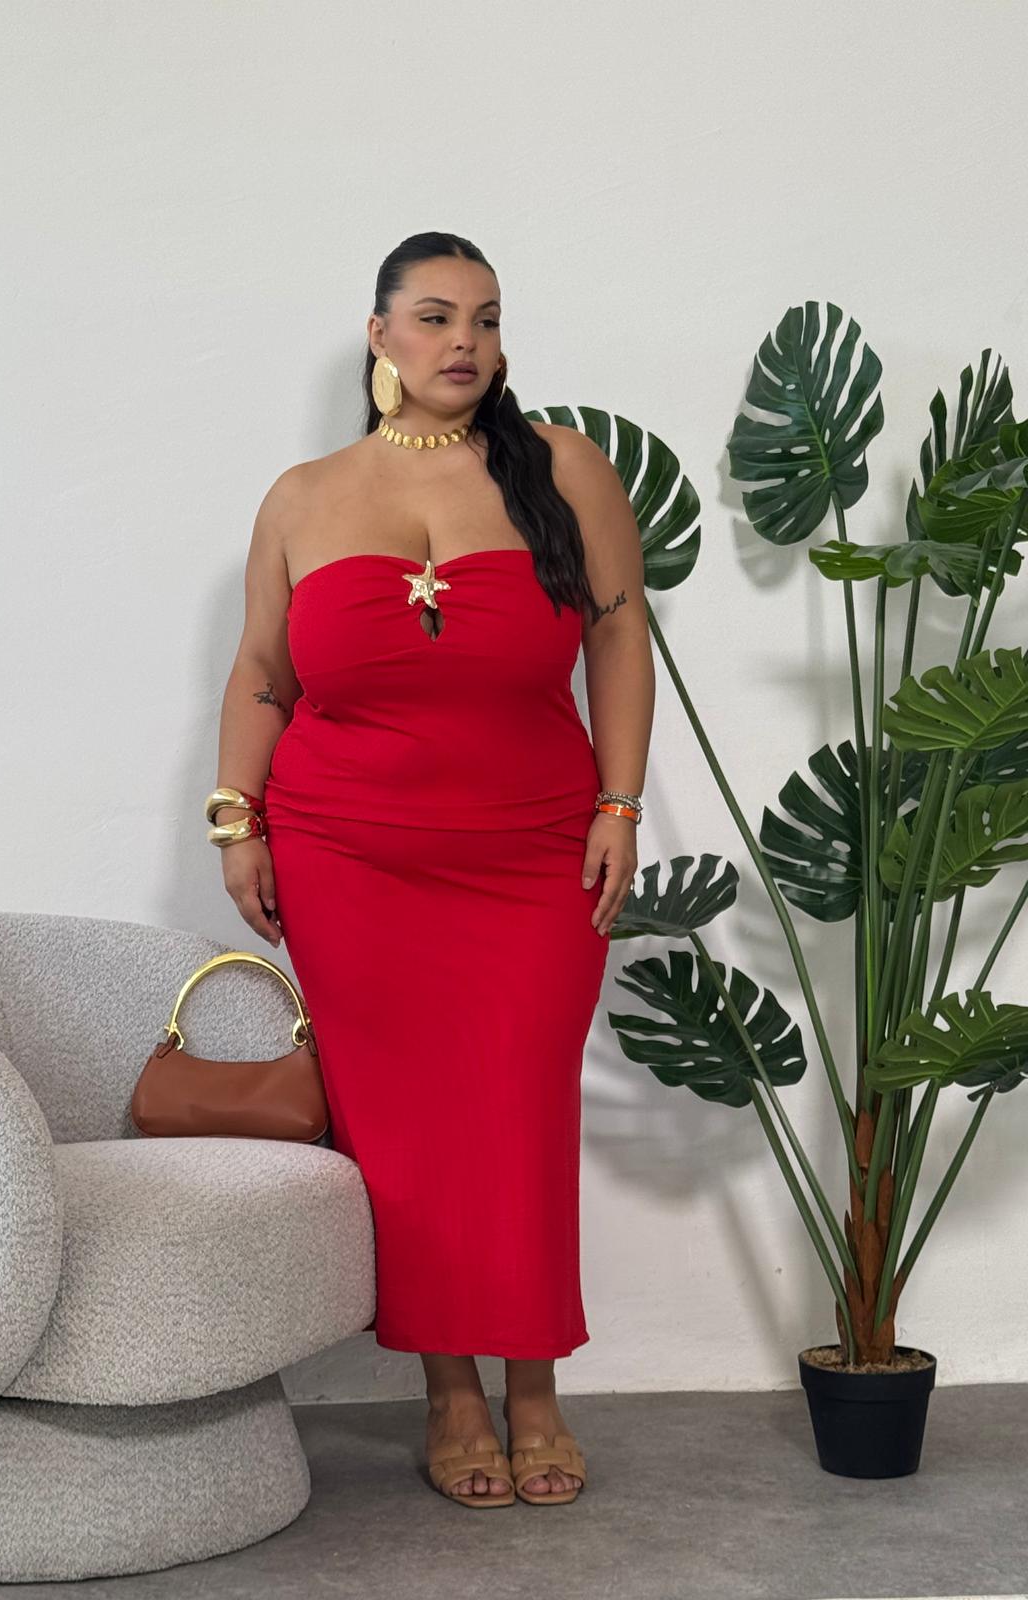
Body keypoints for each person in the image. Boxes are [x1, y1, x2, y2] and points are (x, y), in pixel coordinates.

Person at [211, 231, 654, 1508]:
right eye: (437, 315)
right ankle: (452, 1392)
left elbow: (620, 639)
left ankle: (536, 1386)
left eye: (488, 317)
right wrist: (239, 822)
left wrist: (619, 803)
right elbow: (261, 674)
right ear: (380, 335)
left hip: (533, 849)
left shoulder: (561, 467)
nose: (466, 340)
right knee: (402, 1131)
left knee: (518, 1109)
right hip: (348, 854)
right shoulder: (304, 497)